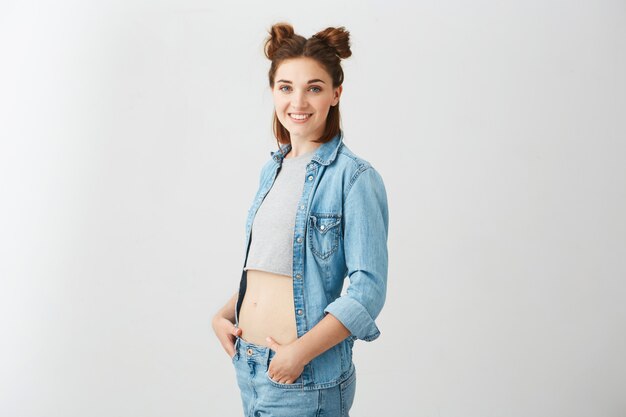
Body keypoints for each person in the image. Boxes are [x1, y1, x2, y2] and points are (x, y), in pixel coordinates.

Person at [211, 22, 389, 417]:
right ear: (273, 91)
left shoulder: (354, 178)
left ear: (335, 94)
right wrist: (225, 314)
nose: (299, 101)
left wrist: (297, 355)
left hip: (305, 377)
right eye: (286, 87)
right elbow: (273, 267)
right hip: (250, 367)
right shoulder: (271, 170)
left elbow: (367, 292)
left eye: (314, 87)